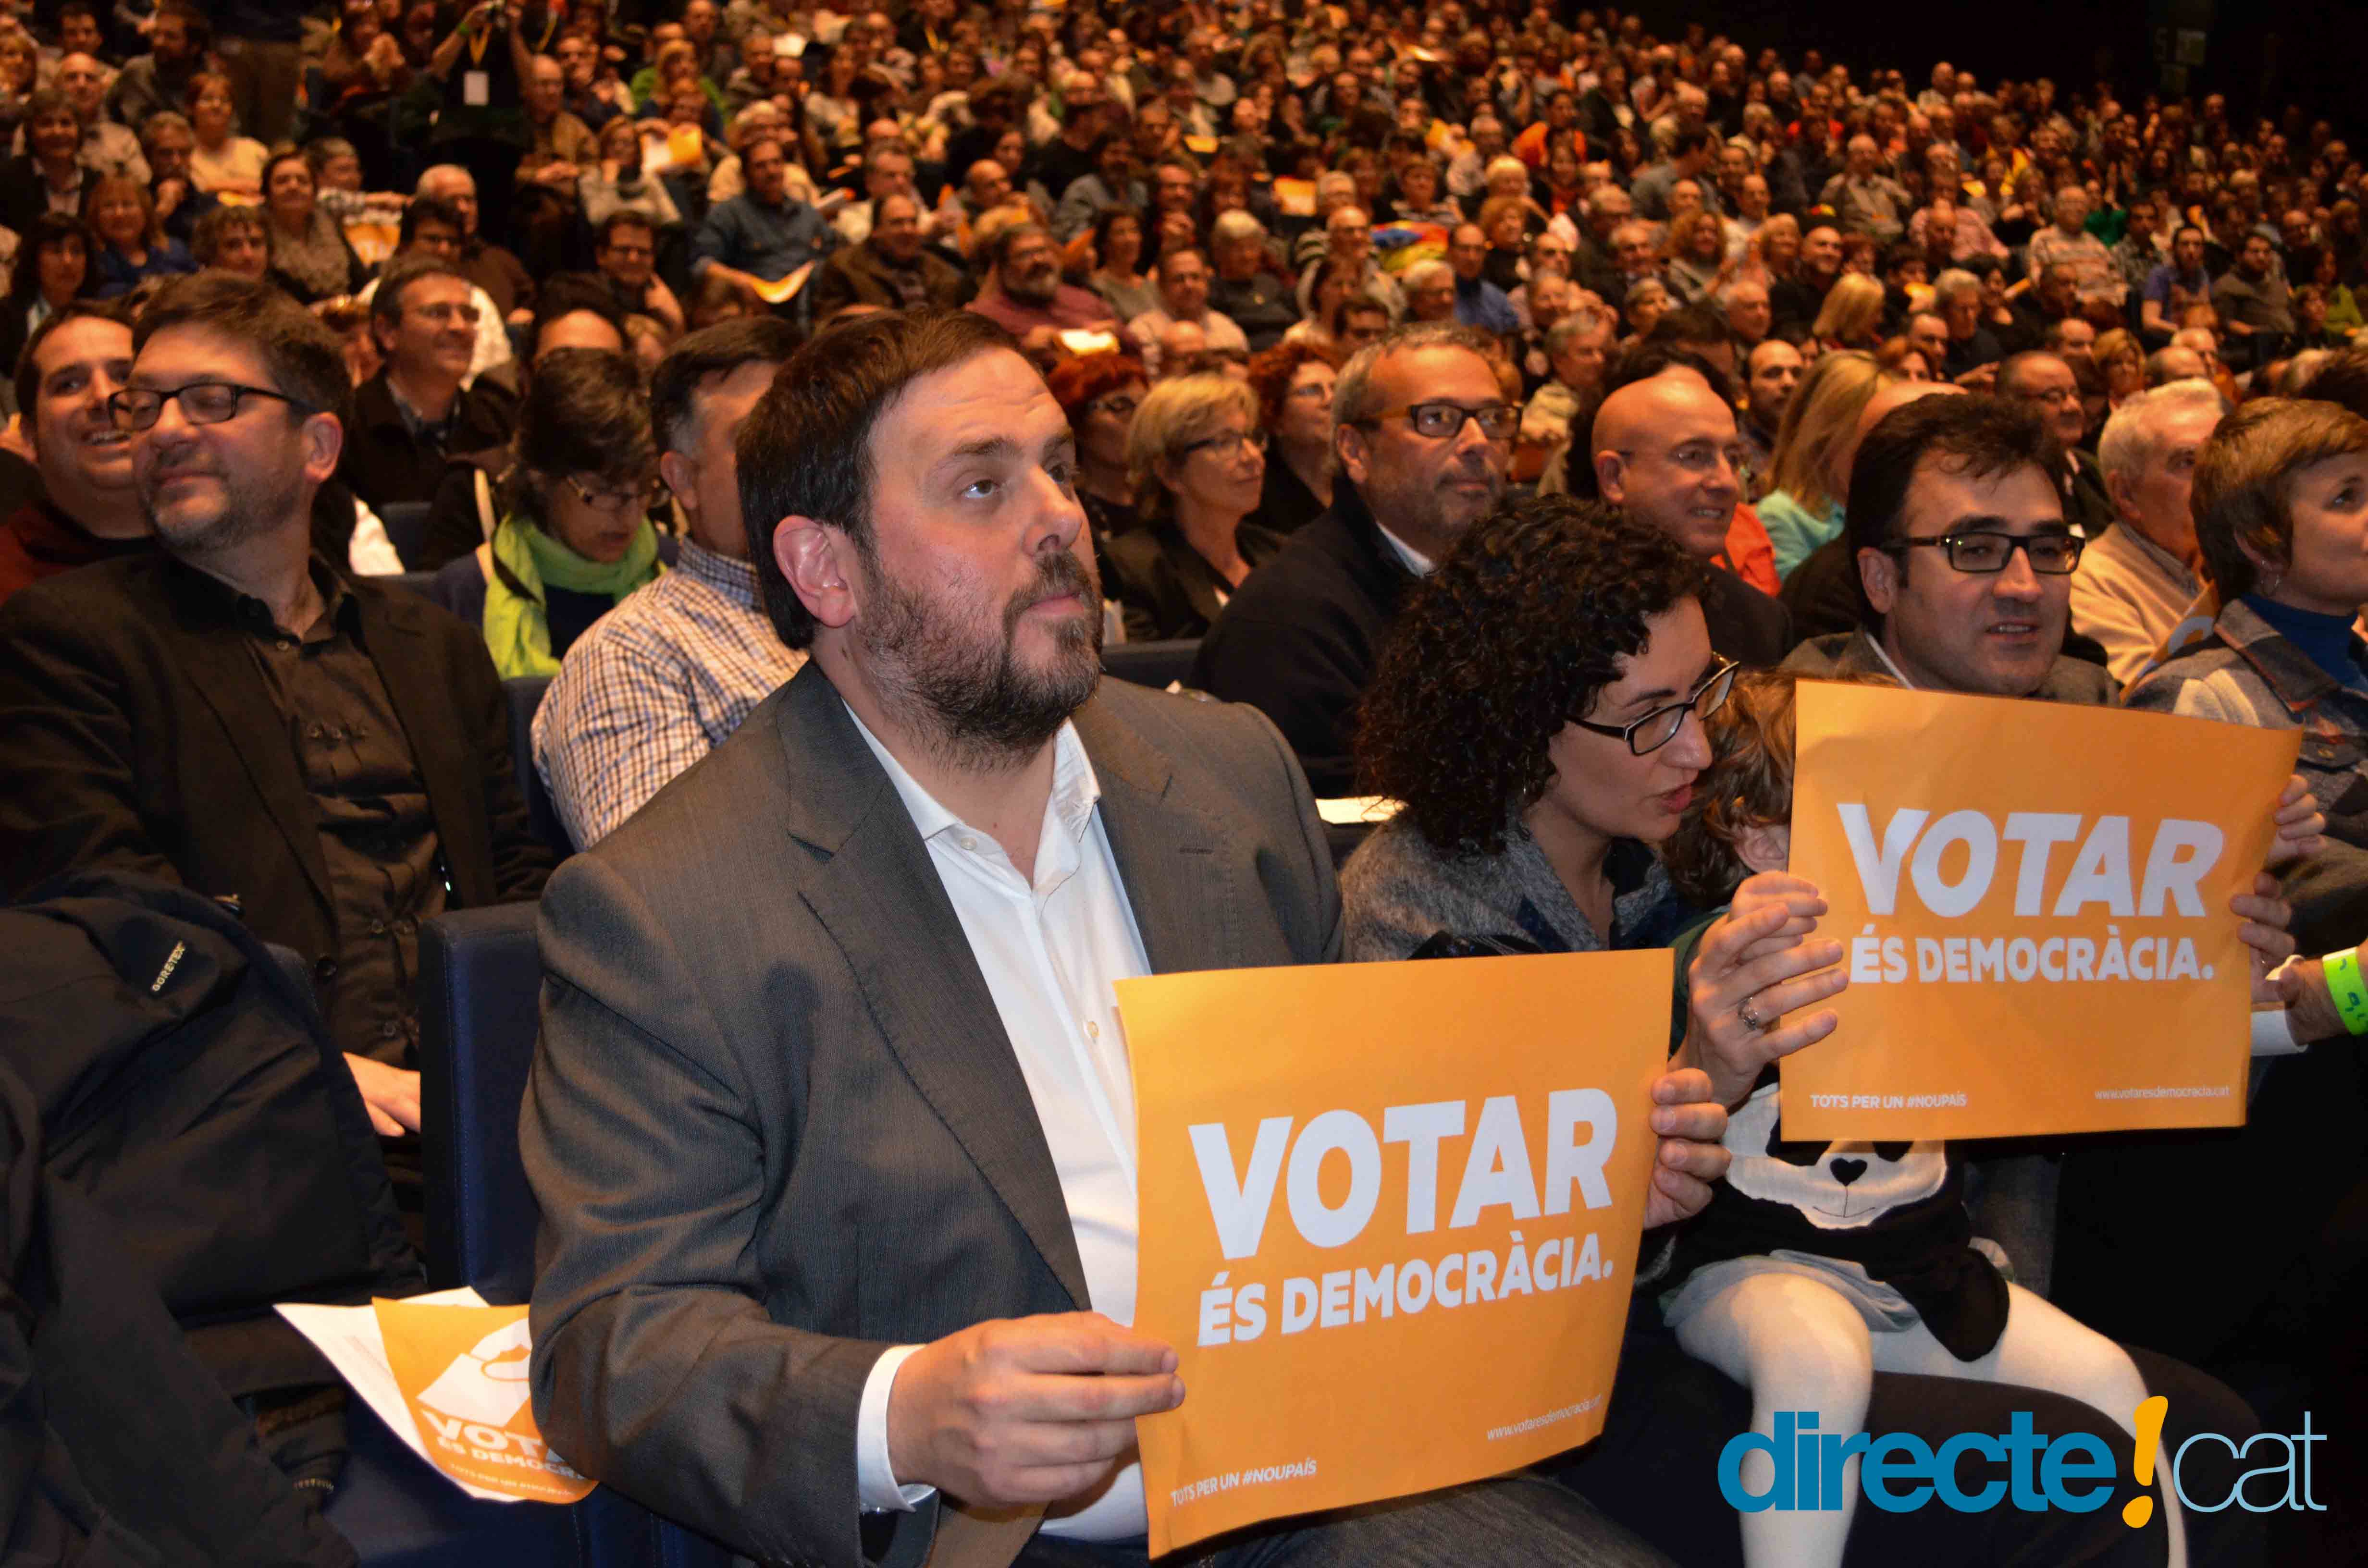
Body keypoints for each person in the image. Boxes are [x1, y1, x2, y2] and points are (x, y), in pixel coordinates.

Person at [518, 306, 1722, 1568]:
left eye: (1058, 467)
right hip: (983, 1543)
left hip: (1304, 1488)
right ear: (826, 570)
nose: (1059, 516)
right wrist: (902, 1416)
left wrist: (1563, 1193)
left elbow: (1349, 1173)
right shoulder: (670, 905)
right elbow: (612, 1343)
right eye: (982, 485)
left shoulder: (1230, 777)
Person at [0, 271, 549, 1155]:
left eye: (210, 400)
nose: (164, 429)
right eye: (147, 405)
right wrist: (309, 1060)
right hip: (242, 1120)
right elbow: (106, 907)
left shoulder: (435, 647)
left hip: (485, 1104)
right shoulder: (69, 639)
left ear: (318, 444)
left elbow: (511, 878)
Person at [1193, 322, 1511, 795]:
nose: (1478, 441)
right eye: (1436, 418)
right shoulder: (1286, 620)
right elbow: (1332, 821)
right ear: (1355, 450)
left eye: (1492, 418)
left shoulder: (1526, 575)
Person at [533, 319, 804, 849]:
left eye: (809, 433)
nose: (794, 458)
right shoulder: (630, 654)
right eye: (758, 437)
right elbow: (671, 887)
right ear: (682, 479)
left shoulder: (882, 610)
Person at [429, 348, 667, 678]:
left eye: (645, 488)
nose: (630, 516)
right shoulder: (467, 591)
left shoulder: (673, 572)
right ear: (540, 475)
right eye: (605, 491)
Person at [1591, 370, 1793, 666]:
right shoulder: (1547, 612)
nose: (1728, 483)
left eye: (1733, 459)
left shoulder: (1762, 622)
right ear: (1614, 477)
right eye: (1695, 456)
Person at [1103, 374, 1285, 641]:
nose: (1253, 457)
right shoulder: (1133, 568)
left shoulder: (1280, 553)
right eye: (1225, 442)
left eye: (1251, 437)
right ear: (1170, 472)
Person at [337, 256, 519, 513]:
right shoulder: (345, 428)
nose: (460, 327)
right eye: (437, 313)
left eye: (469, 315)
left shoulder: (500, 421)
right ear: (387, 332)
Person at [0, 303, 150, 606]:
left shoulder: (233, 544)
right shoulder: (8, 579)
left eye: (125, 377)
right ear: (29, 437)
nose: (104, 396)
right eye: (69, 385)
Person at [2072, 381, 2220, 684]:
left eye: (2222, 458)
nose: (2217, 477)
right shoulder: (2090, 583)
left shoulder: (2227, 560)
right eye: (2188, 462)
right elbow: (2150, 700)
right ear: (2126, 494)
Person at [1756, 350, 1887, 580]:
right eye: (1869, 432)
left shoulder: (1889, 506)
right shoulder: (1783, 516)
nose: (1884, 446)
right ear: (1826, 435)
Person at [691, 135, 839, 308]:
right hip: (758, 301)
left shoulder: (806, 212)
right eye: (760, 166)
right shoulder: (729, 213)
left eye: (777, 162)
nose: (771, 171)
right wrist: (739, 281)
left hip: (812, 298)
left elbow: (834, 252)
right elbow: (702, 265)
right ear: (746, 174)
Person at [967, 222, 1129, 364]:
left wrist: (1117, 333)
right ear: (1004, 267)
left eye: (1042, 251)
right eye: (1025, 255)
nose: (1039, 260)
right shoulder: (987, 316)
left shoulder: (1084, 299)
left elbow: (1135, 346)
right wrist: (1023, 349)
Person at [1998, 350, 2114, 536]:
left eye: (2076, 395)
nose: (2073, 407)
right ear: (2013, 405)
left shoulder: (2092, 467)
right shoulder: (2000, 480)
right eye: (2054, 398)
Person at [811, 191, 976, 318]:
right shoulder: (845, 266)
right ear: (876, 230)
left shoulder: (939, 269)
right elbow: (827, 324)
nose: (907, 230)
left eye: (913, 222)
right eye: (897, 223)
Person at [1247, 341, 1339, 536]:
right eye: (1311, 391)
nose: (1330, 399)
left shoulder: (1360, 476)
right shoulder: (1256, 493)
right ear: (1275, 414)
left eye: (1336, 388)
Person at [258, 150, 368, 306]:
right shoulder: (256, 229)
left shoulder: (328, 222)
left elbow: (360, 281)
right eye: (282, 181)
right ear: (267, 192)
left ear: (315, 191)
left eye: (302, 181)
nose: (293, 187)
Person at [1127, 247, 1250, 378]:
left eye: (1195, 277)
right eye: (1179, 279)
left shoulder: (1228, 330)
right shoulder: (1143, 332)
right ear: (1161, 286)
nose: (1189, 285)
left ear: (1207, 281)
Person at [83, 173, 195, 299]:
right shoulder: (90, 262)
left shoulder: (175, 250)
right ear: (96, 216)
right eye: (109, 206)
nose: (119, 214)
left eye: (128, 204)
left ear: (145, 211)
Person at [1207, 211, 1301, 354]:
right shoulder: (1213, 291)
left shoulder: (1272, 283)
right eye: (1238, 249)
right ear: (1219, 253)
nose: (1247, 256)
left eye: (1252, 247)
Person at [1738, 339, 1803, 500]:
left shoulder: (1818, 442)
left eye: (1797, 374)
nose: (1789, 383)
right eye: (1773, 374)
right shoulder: (1733, 448)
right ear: (1745, 389)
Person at [185, 72, 267, 196]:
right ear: (190, 108)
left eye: (224, 100)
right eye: (207, 99)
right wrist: (243, 186)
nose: (217, 105)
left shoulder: (255, 151)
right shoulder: (182, 155)